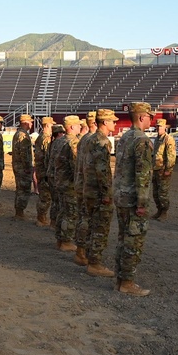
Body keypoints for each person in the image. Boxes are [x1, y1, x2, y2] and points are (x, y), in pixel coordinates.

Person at [112, 102, 154, 296]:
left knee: (122, 238)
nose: (151, 120)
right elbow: (142, 175)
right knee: (133, 240)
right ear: (141, 117)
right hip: (132, 198)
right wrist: (142, 203)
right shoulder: (142, 140)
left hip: (121, 195)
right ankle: (127, 282)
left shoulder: (125, 137)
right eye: (149, 116)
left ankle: (120, 279)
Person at [80, 109, 117, 278]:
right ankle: (95, 263)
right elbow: (102, 171)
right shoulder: (101, 141)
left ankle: (89, 257)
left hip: (89, 188)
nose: (114, 124)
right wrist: (107, 193)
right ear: (104, 122)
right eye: (112, 121)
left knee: (91, 224)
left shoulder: (90, 139)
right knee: (100, 227)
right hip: (98, 191)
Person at [51, 115, 83, 255]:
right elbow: (75, 166)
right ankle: (66, 241)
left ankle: (60, 239)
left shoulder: (59, 141)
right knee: (71, 213)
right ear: (71, 127)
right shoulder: (73, 142)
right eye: (77, 125)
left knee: (62, 211)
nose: (80, 127)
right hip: (70, 183)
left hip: (59, 181)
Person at [73, 112, 98, 260]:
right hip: (89, 186)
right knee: (87, 220)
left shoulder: (82, 139)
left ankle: (80, 249)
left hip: (81, 184)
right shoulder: (94, 140)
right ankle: (82, 251)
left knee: (82, 217)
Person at [151, 118, 176, 220]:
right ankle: (159, 210)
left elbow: (171, 155)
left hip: (163, 170)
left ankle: (164, 212)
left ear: (165, 127)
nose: (158, 128)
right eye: (157, 126)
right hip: (156, 169)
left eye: (160, 126)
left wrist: (168, 169)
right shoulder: (157, 138)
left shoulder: (168, 139)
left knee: (163, 193)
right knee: (155, 193)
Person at [11, 114, 34, 219]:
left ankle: (19, 211)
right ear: (25, 122)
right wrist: (27, 167)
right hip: (22, 167)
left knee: (20, 188)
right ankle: (20, 212)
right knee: (24, 189)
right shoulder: (23, 135)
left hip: (17, 165)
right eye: (30, 122)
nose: (32, 124)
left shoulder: (18, 134)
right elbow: (24, 153)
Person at [33, 116, 55, 226]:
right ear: (47, 125)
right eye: (52, 125)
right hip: (44, 170)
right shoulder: (46, 138)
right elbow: (47, 156)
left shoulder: (40, 137)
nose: (53, 127)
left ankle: (41, 217)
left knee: (43, 195)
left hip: (40, 169)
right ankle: (41, 218)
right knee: (46, 197)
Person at [46, 124, 66, 230]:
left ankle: (53, 222)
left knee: (54, 201)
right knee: (58, 202)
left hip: (50, 174)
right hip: (56, 175)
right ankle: (55, 223)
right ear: (59, 133)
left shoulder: (52, 143)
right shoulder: (60, 143)